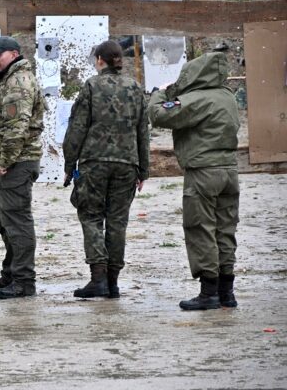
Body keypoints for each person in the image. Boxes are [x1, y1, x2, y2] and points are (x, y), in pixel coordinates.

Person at [148, 52, 240, 311]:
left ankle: (208, 293)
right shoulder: (228, 97)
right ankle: (227, 293)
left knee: (201, 229)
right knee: (225, 230)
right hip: (229, 171)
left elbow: (158, 115)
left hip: (203, 172)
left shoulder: (196, 99)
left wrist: (160, 93)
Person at [63, 40, 149, 299]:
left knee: (91, 217)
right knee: (117, 221)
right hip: (127, 164)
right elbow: (143, 131)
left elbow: (77, 128)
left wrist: (69, 163)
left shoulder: (91, 86)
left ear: (100, 60)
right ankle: (112, 282)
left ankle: (98, 277)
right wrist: (143, 169)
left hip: (94, 162)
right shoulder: (135, 88)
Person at [0, 36, 46, 299]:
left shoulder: (18, 82)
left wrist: (5, 161)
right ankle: (11, 273)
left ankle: (24, 280)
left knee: (17, 222)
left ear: (14, 54)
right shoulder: (10, 80)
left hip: (17, 161)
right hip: (13, 160)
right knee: (6, 222)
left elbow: (16, 127)